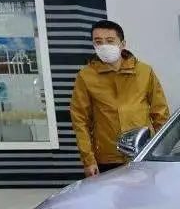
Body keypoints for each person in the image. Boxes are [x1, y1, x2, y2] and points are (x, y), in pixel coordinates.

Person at [70, 20, 170, 178]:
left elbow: (160, 114)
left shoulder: (144, 72)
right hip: (107, 157)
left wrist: (163, 151)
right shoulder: (86, 76)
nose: (104, 46)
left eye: (110, 41)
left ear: (122, 44)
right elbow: (80, 121)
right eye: (98, 42)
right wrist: (88, 160)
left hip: (142, 152)